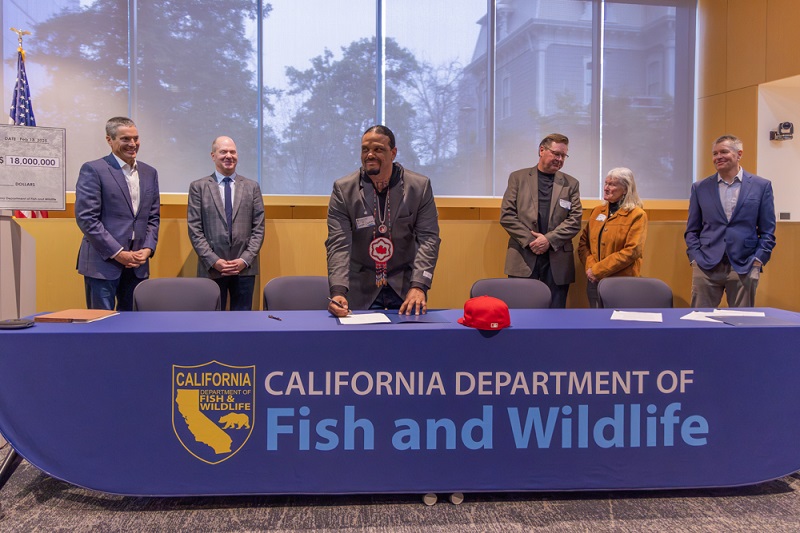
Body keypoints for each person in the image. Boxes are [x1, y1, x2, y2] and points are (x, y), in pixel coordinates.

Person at [326, 125, 440, 317]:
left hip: (406, 288)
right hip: (360, 289)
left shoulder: (418, 187)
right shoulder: (343, 190)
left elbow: (428, 239)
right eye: (365, 149)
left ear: (393, 153)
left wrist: (420, 285)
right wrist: (338, 291)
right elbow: (339, 244)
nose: (370, 155)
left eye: (378, 149)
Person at [75, 116, 160, 311]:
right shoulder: (93, 169)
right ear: (109, 140)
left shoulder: (150, 173)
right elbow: (87, 219)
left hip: (138, 264)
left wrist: (147, 249)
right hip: (103, 264)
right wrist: (118, 253)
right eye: (125, 139)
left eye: (136, 138)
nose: (132, 144)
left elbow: (153, 217)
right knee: (101, 328)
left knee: (133, 328)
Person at [685, 134, 776, 308]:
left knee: (742, 324)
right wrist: (695, 257)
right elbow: (692, 229)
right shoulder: (700, 188)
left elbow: (767, 230)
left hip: (745, 264)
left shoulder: (761, 186)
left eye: (724, 152)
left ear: (739, 154)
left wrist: (758, 259)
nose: (718, 157)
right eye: (715, 153)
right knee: (699, 322)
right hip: (706, 264)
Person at [500, 133, 582, 308]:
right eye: (556, 154)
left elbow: (575, 220)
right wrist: (532, 242)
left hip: (557, 259)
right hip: (524, 256)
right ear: (542, 150)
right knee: (521, 314)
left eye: (563, 156)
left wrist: (548, 240)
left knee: (555, 317)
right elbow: (507, 215)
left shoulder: (571, 184)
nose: (560, 159)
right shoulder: (518, 178)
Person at [187, 136, 265, 310]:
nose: (229, 156)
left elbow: (259, 228)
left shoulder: (252, 187)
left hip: (245, 269)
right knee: (211, 323)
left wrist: (244, 260)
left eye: (232, 151)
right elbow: (195, 229)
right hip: (211, 268)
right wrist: (214, 261)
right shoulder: (198, 187)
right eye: (223, 152)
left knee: (243, 323)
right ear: (213, 155)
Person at [578, 167, 648, 308]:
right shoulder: (597, 211)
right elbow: (583, 244)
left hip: (622, 283)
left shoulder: (637, 215)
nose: (606, 188)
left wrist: (598, 270)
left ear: (625, 189)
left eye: (612, 184)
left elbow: (632, 251)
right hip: (594, 281)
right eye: (606, 183)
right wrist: (591, 268)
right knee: (596, 324)